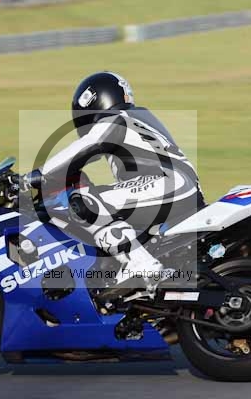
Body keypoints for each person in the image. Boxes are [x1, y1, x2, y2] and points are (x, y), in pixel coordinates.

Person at [19, 71, 204, 291]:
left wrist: (32, 178)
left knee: (83, 202)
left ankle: (142, 265)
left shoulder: (117, 118)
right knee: (94, 198)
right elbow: (82, 162)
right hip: (177, 187)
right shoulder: (135, 120)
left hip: (171, 184)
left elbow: (85, 147)